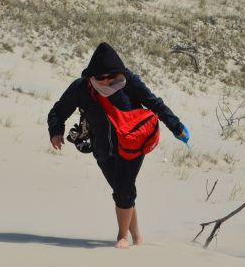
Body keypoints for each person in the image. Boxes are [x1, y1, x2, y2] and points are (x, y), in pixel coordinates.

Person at [47, 42, 189, 249]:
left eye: (111, 76)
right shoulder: (81, 88)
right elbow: (58, 111)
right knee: (123, 191)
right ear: (91, 76)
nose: (106, 81)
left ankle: (122, 237)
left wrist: (176, 127)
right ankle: (137, 236)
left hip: (132, 145)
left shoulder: (130, 82)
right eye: (100, 77)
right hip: (102, 148)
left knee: (123, 188)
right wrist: (56, 131)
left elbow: (155, 103)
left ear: (120, 72)